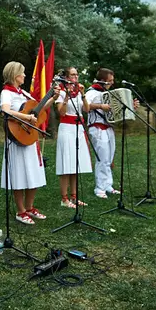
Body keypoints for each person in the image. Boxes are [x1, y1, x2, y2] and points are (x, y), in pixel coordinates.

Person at [0, 61, 59, 224]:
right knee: (19, 175)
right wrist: (26, 117)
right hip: (16, 137)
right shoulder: (7, 93)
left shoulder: (24, 93)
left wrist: (53, 97)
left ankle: (30, 207)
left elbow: (39, 109)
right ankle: (20, 211)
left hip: (29, 137)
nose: (25, 75)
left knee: (33, 173)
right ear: (15, 75)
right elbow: (5, 111)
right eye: (22, 72)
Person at [84, 68, 138, 198]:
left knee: (109, 158)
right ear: (102, 80)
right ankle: (99, 188)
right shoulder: (92, 92)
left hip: (108, 127)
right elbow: (84, 106)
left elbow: (116, 110)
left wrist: (131, 107)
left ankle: (108, 185)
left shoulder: (108, 93)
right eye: (110, 80)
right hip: (97, 127)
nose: (112, 83)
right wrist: (100, 106)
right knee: (102, 159)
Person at [54, 67, 91, 208]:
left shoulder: (79, 92)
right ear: (67, 77)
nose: (76, 77)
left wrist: (83, 94)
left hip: (78, 128)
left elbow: (86, 109)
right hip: (66, 128)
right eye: (73, 75)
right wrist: (66, 98)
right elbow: (61, 113)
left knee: (76, 164)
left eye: (77, 74)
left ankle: (74, 196)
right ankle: (64, 198)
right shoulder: (61, 91)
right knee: (66, 164)